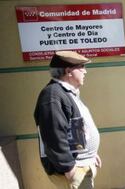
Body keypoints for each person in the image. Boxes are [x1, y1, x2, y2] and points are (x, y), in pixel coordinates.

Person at [34, 51, 101, 189]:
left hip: (82, 164)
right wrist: (69, 169)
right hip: (73, 170)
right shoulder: (53, 95)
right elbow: (54, 136)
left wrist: (90, 154)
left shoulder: (67, 92)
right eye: (81, 67)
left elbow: (76, 128)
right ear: (68, 71)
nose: (85, 71)